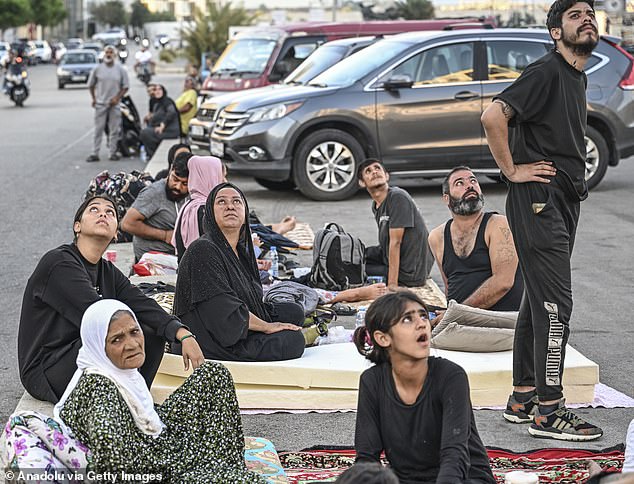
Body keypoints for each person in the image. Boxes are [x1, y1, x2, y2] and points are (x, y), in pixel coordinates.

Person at [480, 0, 603, 440]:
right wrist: (512, 171)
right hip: (540, 201)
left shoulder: (575, 74)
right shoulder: (546, 71)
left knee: (538, 299)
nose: (586, 19)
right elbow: (493, 115)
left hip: (562, 199)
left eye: (590, 13)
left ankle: (523, 396)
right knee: (557, 306)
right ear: (555, 32)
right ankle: (550, 412)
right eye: (574, 15)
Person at [18, 195, 204, 403]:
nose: (103, 214)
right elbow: (98, 313)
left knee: (151, 330)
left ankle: (136, 400)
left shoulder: (106, 270)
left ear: (116, 233)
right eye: (94, 210)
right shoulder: (58, 263)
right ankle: (128, 401)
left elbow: (141, 304)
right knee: (120, 330)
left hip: (83, 351)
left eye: (110, 212)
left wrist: (182, 333)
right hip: (48, 367)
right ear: (77, 226)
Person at [54, 299, 265, 482]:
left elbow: (141, 418)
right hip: (157, 466)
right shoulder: (100, 390)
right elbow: (115, 463)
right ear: (98, 346)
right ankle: (220, 468)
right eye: (117, 339)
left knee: (212, 374)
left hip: (153, 441)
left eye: (134, 332)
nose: (131, 344)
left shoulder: (116, 372)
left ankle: (225, 464)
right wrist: (186, 464)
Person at [352, 291, 495, 484]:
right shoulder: (372, 381)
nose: (421, 324)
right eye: (407, 319)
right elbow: (367, 458)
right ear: (383, 338)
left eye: (423, 316)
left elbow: (454, 455)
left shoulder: (451, 376)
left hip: (462, 479)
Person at [173, 183, 306, 362]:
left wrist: (271, 322)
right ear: (210, 214)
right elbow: (220, 308)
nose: (230, 206)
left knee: (294, 312)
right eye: (221, 202)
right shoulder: (203, 249)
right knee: (294, 341)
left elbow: (250, 298)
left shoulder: (240, 250)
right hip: (213, 338)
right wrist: (267, 327)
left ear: (244, 213)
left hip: (235, 321)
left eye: (237, 201)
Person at [428, 166, 523, 314]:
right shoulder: (437, 237)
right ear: (446, 198)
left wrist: (457, 313)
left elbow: (503, 282)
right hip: (459, 320)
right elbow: (450, 286)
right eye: (459, 183)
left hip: (499, 319)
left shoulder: (498, 224)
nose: (470, 185)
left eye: (473, 180)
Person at [357, 158, 434, 290]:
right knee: (357, 254)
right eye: (368, 171)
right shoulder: (376, 205)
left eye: (377, 168)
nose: (374, 172)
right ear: (362, 183)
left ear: (386, 176)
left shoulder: (398, 197)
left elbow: (396, 242)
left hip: (410, 273)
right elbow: (386, 242)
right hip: (391, 257)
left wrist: (392, 284)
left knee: (354, 268)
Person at [121, 152, 192, 262]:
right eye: (175, 179)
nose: (178, 187)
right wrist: (164, 235)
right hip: (153, 258)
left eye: (184, 183)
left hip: (180, 256)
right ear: (170, 170)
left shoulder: (193, 194)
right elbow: (127, 224)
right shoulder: (154, 193)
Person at [172, 155, 224, 260]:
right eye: (220, 176)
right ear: (210, 178)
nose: (224, 181)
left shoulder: (189, 205)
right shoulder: (205, 210)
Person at [86, 45, 129, 162]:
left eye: (111, 52)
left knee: (114, 129)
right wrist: (94, 98)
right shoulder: (98, 69)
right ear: (104, 54)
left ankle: (113, 152)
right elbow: (91, 85)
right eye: (107, 52)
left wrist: (117, 98)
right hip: (101, 104)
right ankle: (95, 153)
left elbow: (125, 86)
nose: (109, 54)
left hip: (114, 104)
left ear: (115, 55)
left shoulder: (120, 70)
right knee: (98, 129)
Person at [140, 84, 181, 159]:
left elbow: (171, 113)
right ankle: (151, 153)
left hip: (170, 130)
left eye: (160, 89)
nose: (157, 91)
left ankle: (152, 154)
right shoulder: (157, 102)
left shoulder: (167, 101)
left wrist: (163, 125)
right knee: (146, 131)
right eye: (155, 90)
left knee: (145, 133)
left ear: (163, 91)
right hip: (164, 129)